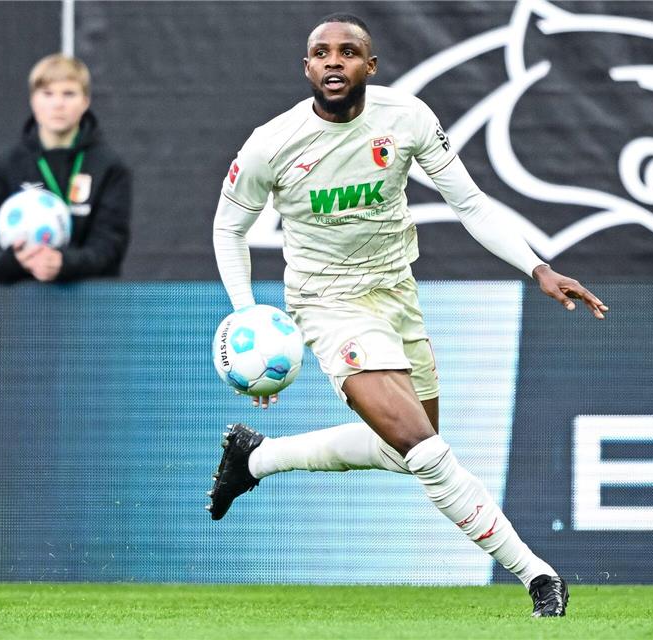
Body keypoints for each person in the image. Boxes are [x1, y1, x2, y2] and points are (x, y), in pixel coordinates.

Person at [208, 14, 610, 617]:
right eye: (322, 53)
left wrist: (538, 268)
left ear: (371, 66)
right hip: (327, 302)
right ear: (308, 68)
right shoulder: (272, 142)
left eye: (349, 53)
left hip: (396, 293)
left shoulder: (407, 119)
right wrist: (247, 319)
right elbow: (229, 227)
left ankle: (255, 457)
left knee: (406, 448)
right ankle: (538, 575)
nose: (335, 62)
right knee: (421, 446)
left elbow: (470, 203)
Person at [0, 54, 131, 283]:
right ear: (33, 100)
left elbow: (110, 248)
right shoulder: (5, 166)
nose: (58, 104)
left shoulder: (109, 166)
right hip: (25, 305)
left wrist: (64, 263)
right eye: (47, 94)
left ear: (86, 101)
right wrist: (18, 260)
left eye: (69, 94)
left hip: (91, 304)